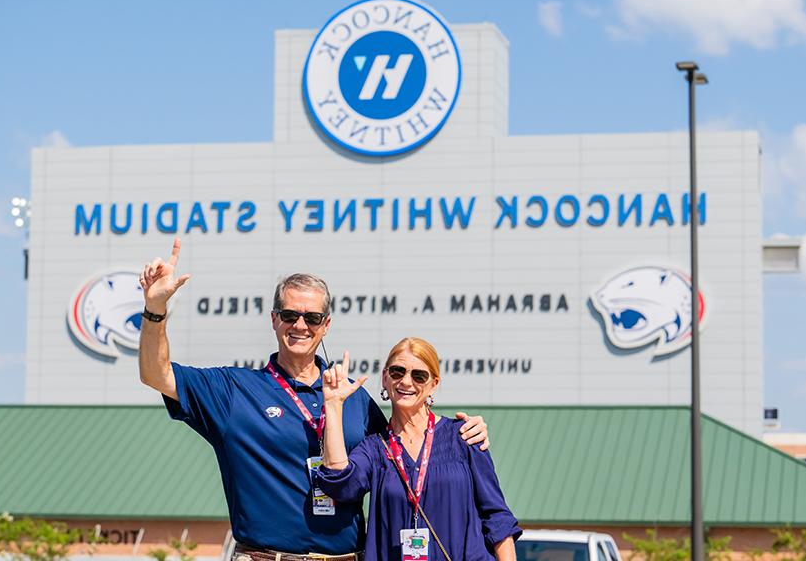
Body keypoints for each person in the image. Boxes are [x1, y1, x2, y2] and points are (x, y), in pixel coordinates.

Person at [137, 238, 491, 560]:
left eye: (312, 317)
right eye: (290, 315)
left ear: (326, 325)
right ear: (274, 320)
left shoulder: (351, 398)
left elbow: (405, 456)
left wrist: (463, 433)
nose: (300, 325)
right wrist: (155, 310)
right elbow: (157, 374)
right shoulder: (234, 390)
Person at [319, 337, 521, 561]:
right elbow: (339, 484)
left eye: (419, 376)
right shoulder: (375, 449)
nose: (406, 382)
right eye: (397, 372)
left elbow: (497, 518)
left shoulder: (464, 437)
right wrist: (334, 405)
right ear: (385, 378)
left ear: (433, 384)